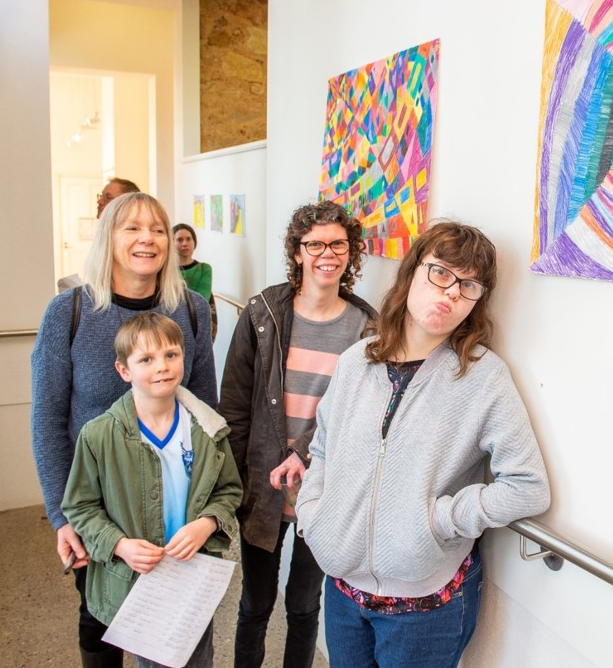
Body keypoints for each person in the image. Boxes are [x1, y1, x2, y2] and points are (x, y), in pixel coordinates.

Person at [296, 221, 551, 668]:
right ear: (412, 272)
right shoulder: (357, 361)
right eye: (440, 273)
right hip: (341, 594)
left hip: (426, 609)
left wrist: (440, 520)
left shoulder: (482, 377)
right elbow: (322, 449)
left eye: (467, 284)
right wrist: (314, 512)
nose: (451, 292)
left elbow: (528, 486)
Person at [32, 191, 217, 668]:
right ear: (108, 237)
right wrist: (61, 515)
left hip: (176, 507)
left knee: (175, 628)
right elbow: (48, 420)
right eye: (131, 228)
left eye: (157, 228)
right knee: (100, 617)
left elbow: (207, 416)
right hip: (99, 504)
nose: (147, 239)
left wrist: (208, 513)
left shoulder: (191, 310)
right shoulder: (68, 312)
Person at [219, 200, 376, 668]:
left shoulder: (367, 327)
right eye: (315, 244)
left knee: (305, 605)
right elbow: (235, 405)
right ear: (297, 251)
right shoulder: (263, 313)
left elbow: (361, 417)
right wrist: (235, 485)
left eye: (338, 244)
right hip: (262, 485)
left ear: (351, 253)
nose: (327, 254)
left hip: (325, 490)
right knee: (255, 604)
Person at [62, 313, 242, 668]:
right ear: (124, 370)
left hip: (193, 573)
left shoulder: (207, 430)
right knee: (155, 661)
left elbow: (229, 491)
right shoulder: (98, 435)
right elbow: (80, 507)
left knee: (197, 658)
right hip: (140, 579)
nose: (162, 367)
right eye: (146, 359)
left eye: (171, 355)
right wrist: (120, 544)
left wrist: (206, 524)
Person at [58, 178, 142, 292]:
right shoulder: (105, 235)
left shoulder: (132, 240)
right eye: (101, 196)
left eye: (108, 197)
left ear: (127, 204)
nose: (100, 201)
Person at [174, 223, 218, 340]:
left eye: (189, 239)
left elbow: (202, 298)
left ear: (194, 242)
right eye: (179, 240)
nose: (185, 243)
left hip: (199, 323)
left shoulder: (204, 268)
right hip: (172, 326)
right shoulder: (165, 270)